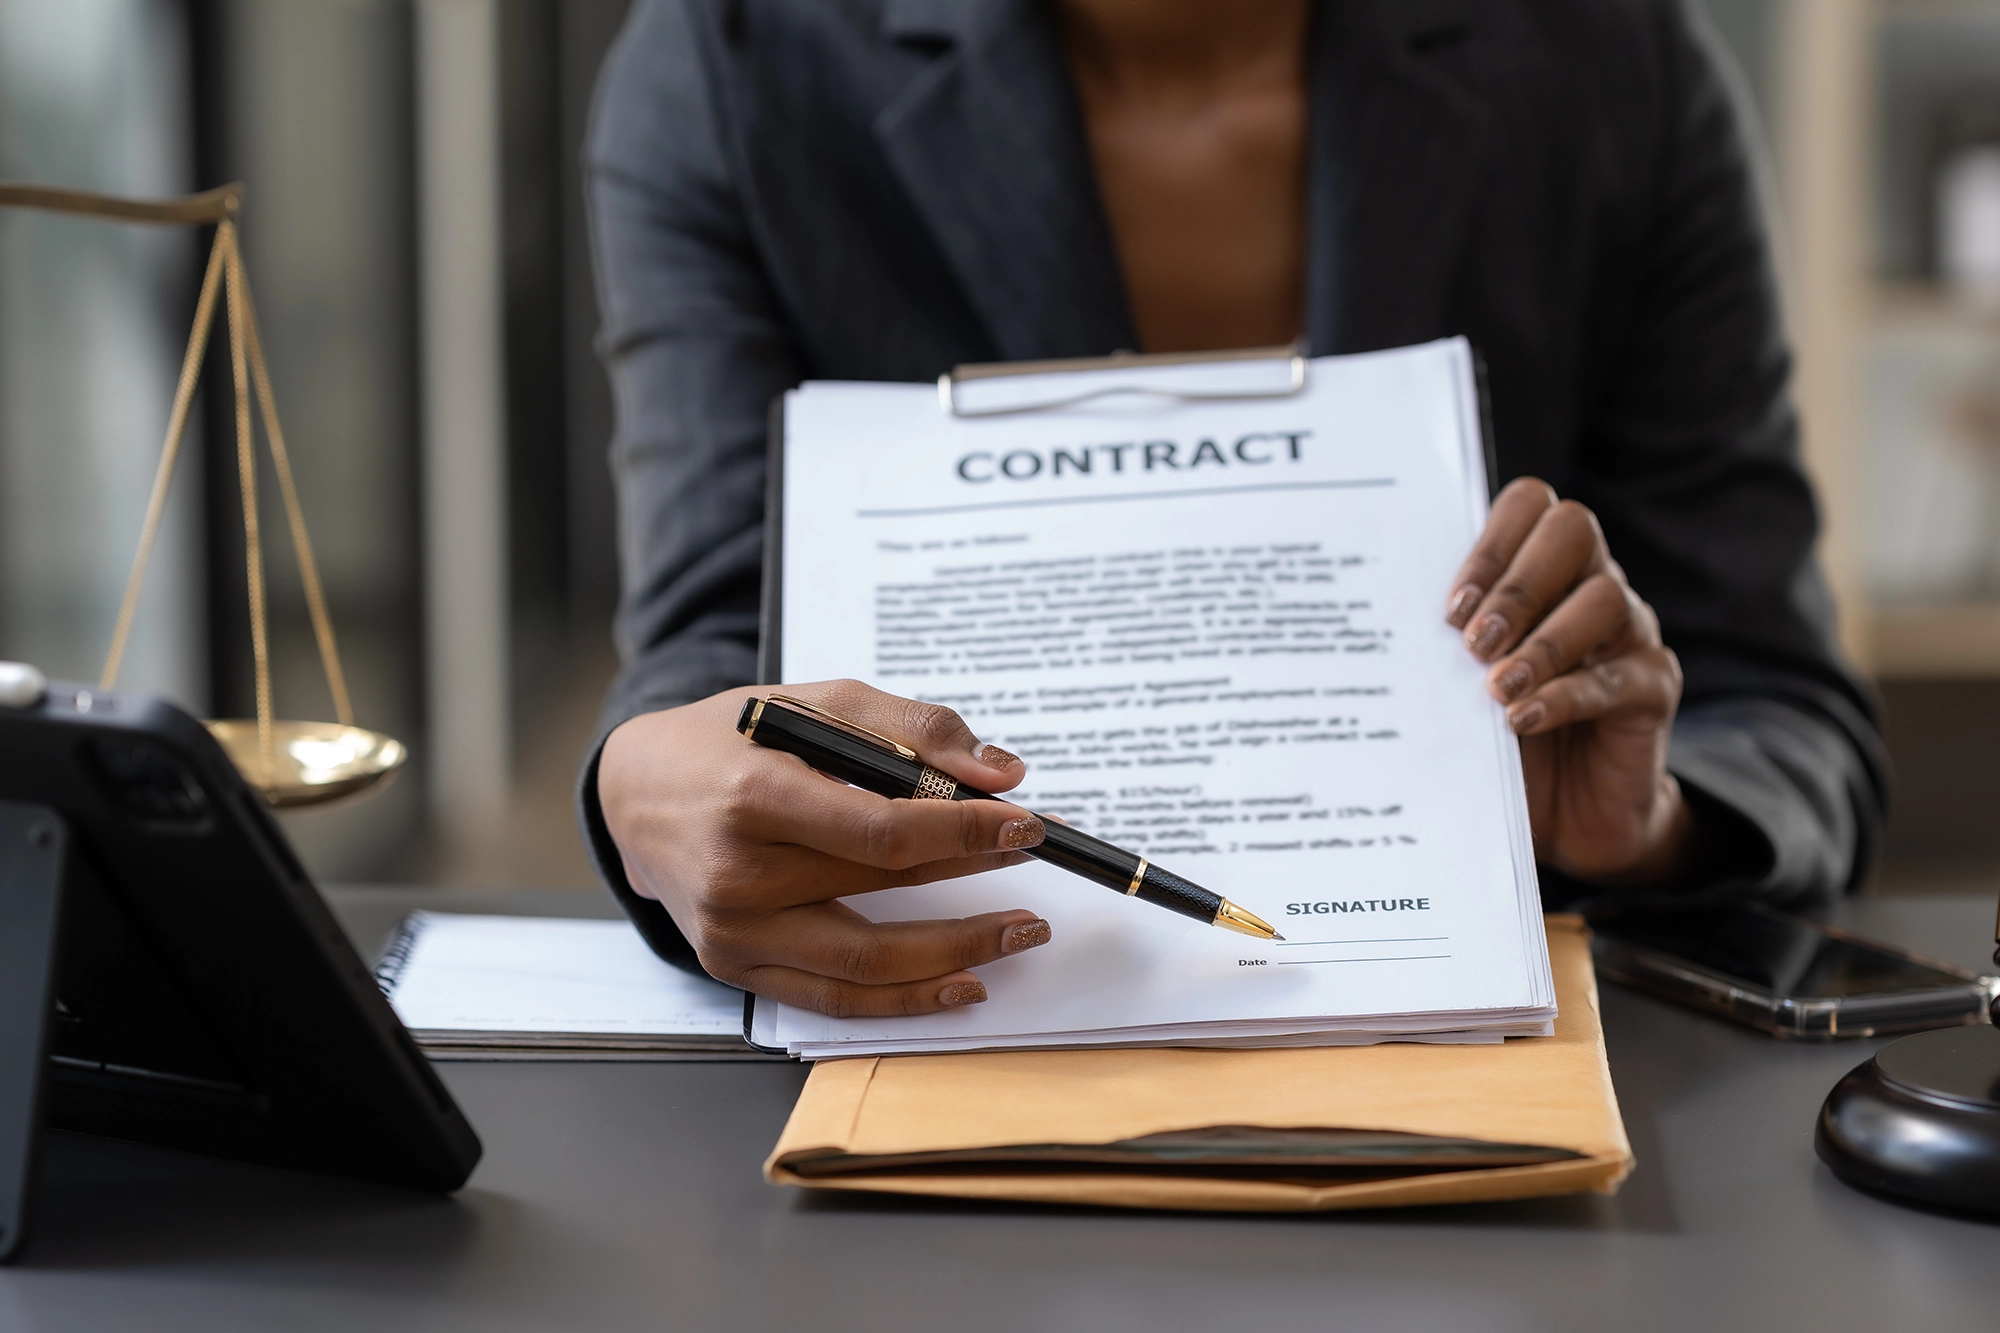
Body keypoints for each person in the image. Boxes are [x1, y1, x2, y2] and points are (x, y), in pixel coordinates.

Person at [578, 0, 1887, 1019]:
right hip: (955, 1030)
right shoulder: (732, 62)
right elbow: (708, 659)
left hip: (1470, 1047)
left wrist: (1642, 827)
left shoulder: (1610, 64)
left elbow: (1790, 717)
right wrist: (639, 785)